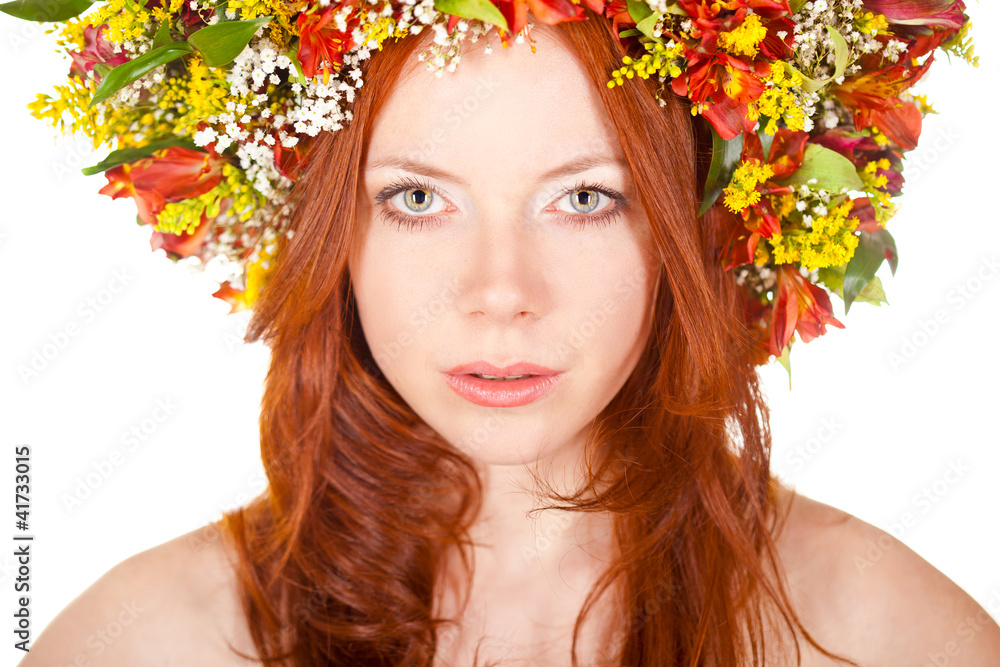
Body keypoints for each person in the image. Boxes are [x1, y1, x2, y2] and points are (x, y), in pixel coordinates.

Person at [16, 4, 1000, 667]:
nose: (499, 293)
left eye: (583, 197)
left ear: (696, 217)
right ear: (325, 228)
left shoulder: (880, 632)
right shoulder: (147, 641)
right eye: (415, 197)